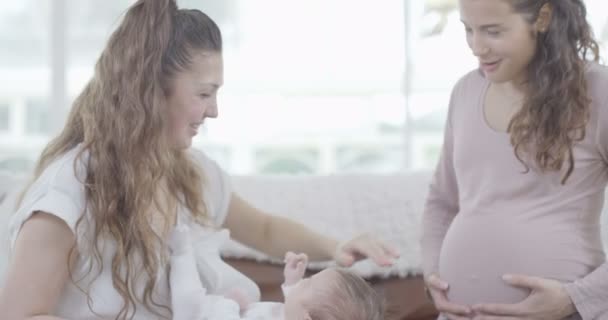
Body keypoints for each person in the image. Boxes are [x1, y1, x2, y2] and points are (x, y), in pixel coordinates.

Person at [0, 0, 400, 319]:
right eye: (204, 93)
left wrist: (336, 245)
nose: (214, 112)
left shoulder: (187, 174)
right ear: (151, 92)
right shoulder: (68, 194)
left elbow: (262, 228)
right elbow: (19, 313)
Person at [420, 0, 608, 319]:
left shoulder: (598, 91)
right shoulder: (466, 91)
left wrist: (575, 298)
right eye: (468, 30)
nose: (477, 47)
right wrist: (432, 272)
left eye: (493, 31)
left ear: (543, 18)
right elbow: (441, 201)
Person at [168, 224, 386, 320]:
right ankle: (197, 253)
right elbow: (295, 304)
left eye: (308, 283)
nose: (304, 281)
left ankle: (182, 252)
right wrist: (292, 281)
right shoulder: (296, 312)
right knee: (248, 291)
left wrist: (231, 306)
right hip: (220, 309)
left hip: (198, 316)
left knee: (189, 302)